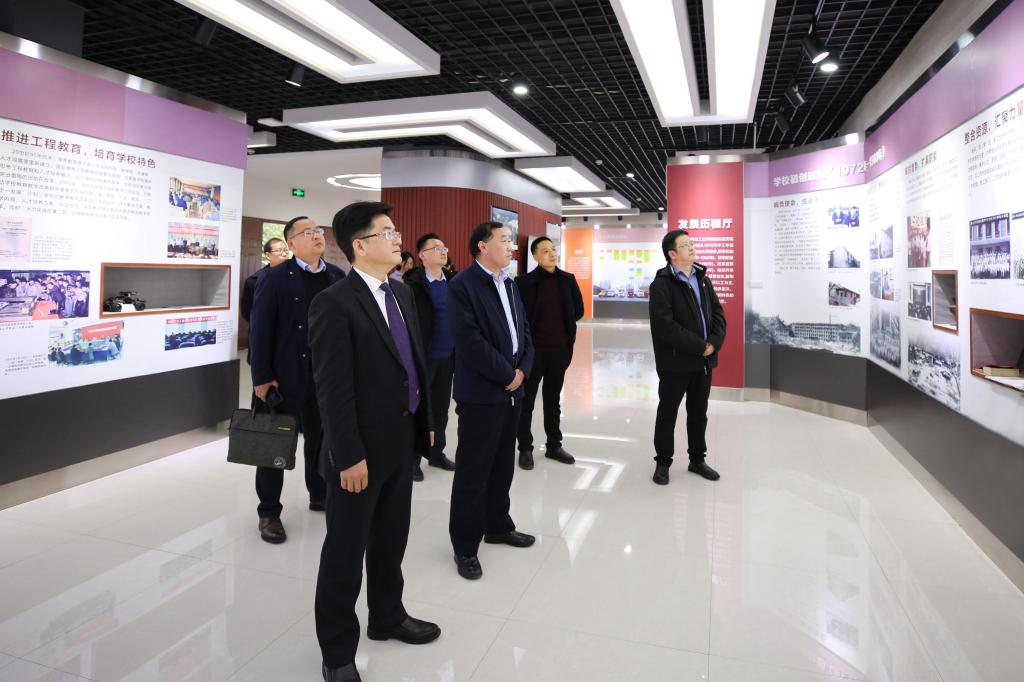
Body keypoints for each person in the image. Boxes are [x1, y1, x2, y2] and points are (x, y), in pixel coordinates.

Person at [309, 201, 440, 682]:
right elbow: (332, 389)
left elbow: (414, 364)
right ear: (360, 245)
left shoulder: (401, 293)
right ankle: (338, 652)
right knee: (345, 556)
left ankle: (388, 616)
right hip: (358, 453)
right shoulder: (334, 302)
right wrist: (348, 455)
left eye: (396, 230)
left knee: (390, 540)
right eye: (387, 232)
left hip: (400, 443)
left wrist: (425, 423)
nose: (398, 238)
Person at [248, 216, 345, 544]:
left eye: (319, 231)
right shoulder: (274, 277)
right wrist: (262, 377)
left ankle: (319, 494)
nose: (318, 236)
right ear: (291, 243)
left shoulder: (336, 276)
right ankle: (269, 512)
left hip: (325, 377)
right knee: (274, 445)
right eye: (309, 232)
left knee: (320, 440)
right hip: (283, 377)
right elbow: (260, 329)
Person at [448, 221, 535, 581]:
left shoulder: (509, 283)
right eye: (504, 240)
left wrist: (523, 371)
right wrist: (507, 375)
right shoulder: (462, 286)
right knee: (473, 472)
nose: (511, 246)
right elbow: (470, 342)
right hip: (482, 394)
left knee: (502, 464)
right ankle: (465, 546)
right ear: (482, 246)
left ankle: (498, 525)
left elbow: (524, 331)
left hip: (512, 391)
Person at [648, 229, 726, 485]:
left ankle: (697, 459)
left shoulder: (703, 279)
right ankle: (663, 462)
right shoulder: (661, 285)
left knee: (698, 413)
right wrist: (699, 346)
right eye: (685, 245)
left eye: (691, 243)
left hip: (703, 362)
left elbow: (718, 314)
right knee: (667, 413)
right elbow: (665, 326)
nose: (692, 247)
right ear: (672, 254)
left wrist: (714, 343)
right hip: (675, 363)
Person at [515, 236, 584, 469]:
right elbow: (519, 317)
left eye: (553, 249)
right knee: (526, 402)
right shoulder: (524, 283)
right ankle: (525, 447)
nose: (552, 253)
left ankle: (554, 445)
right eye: (545, 251)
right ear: (535, 256)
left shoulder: (567, 279)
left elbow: (578, 310)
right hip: (533, 354)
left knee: (553, 401)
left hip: (559, 351)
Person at [403, 233, 457, 481]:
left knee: (441, 408)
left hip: (449, 356)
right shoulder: (412, 285)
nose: (443, 251)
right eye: (436, 248)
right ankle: (413, 458)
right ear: (422, 255)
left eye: (444, 247)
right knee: (420, 408)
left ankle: (436, 453)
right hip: (423, 357)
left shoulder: (454, 282)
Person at [240, 238, 290, 324]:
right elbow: (247, 312)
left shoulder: (297, 275)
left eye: (286, 250)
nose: (284, 254)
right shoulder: (254, 280)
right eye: (279, 250)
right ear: (268, 255)